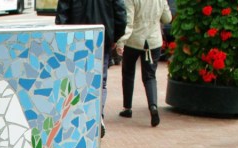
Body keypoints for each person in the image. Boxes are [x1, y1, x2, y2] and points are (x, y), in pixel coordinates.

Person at [56, 0, 126, 137]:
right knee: (100, 81)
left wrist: (64, 37)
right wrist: (114, 37)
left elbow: (62, 13)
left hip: (76, 38)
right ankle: (97, 115)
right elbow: (121, 14)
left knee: (77, 80)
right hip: (103, 38)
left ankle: (81, 119)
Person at [117, 0, 170, 126]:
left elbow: (128, 22)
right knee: (150, 76)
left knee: (128, 73)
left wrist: (121, 42)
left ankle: (127, 108)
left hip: (133, 41)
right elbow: (167, 18)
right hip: (153, 41)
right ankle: (153, 106)